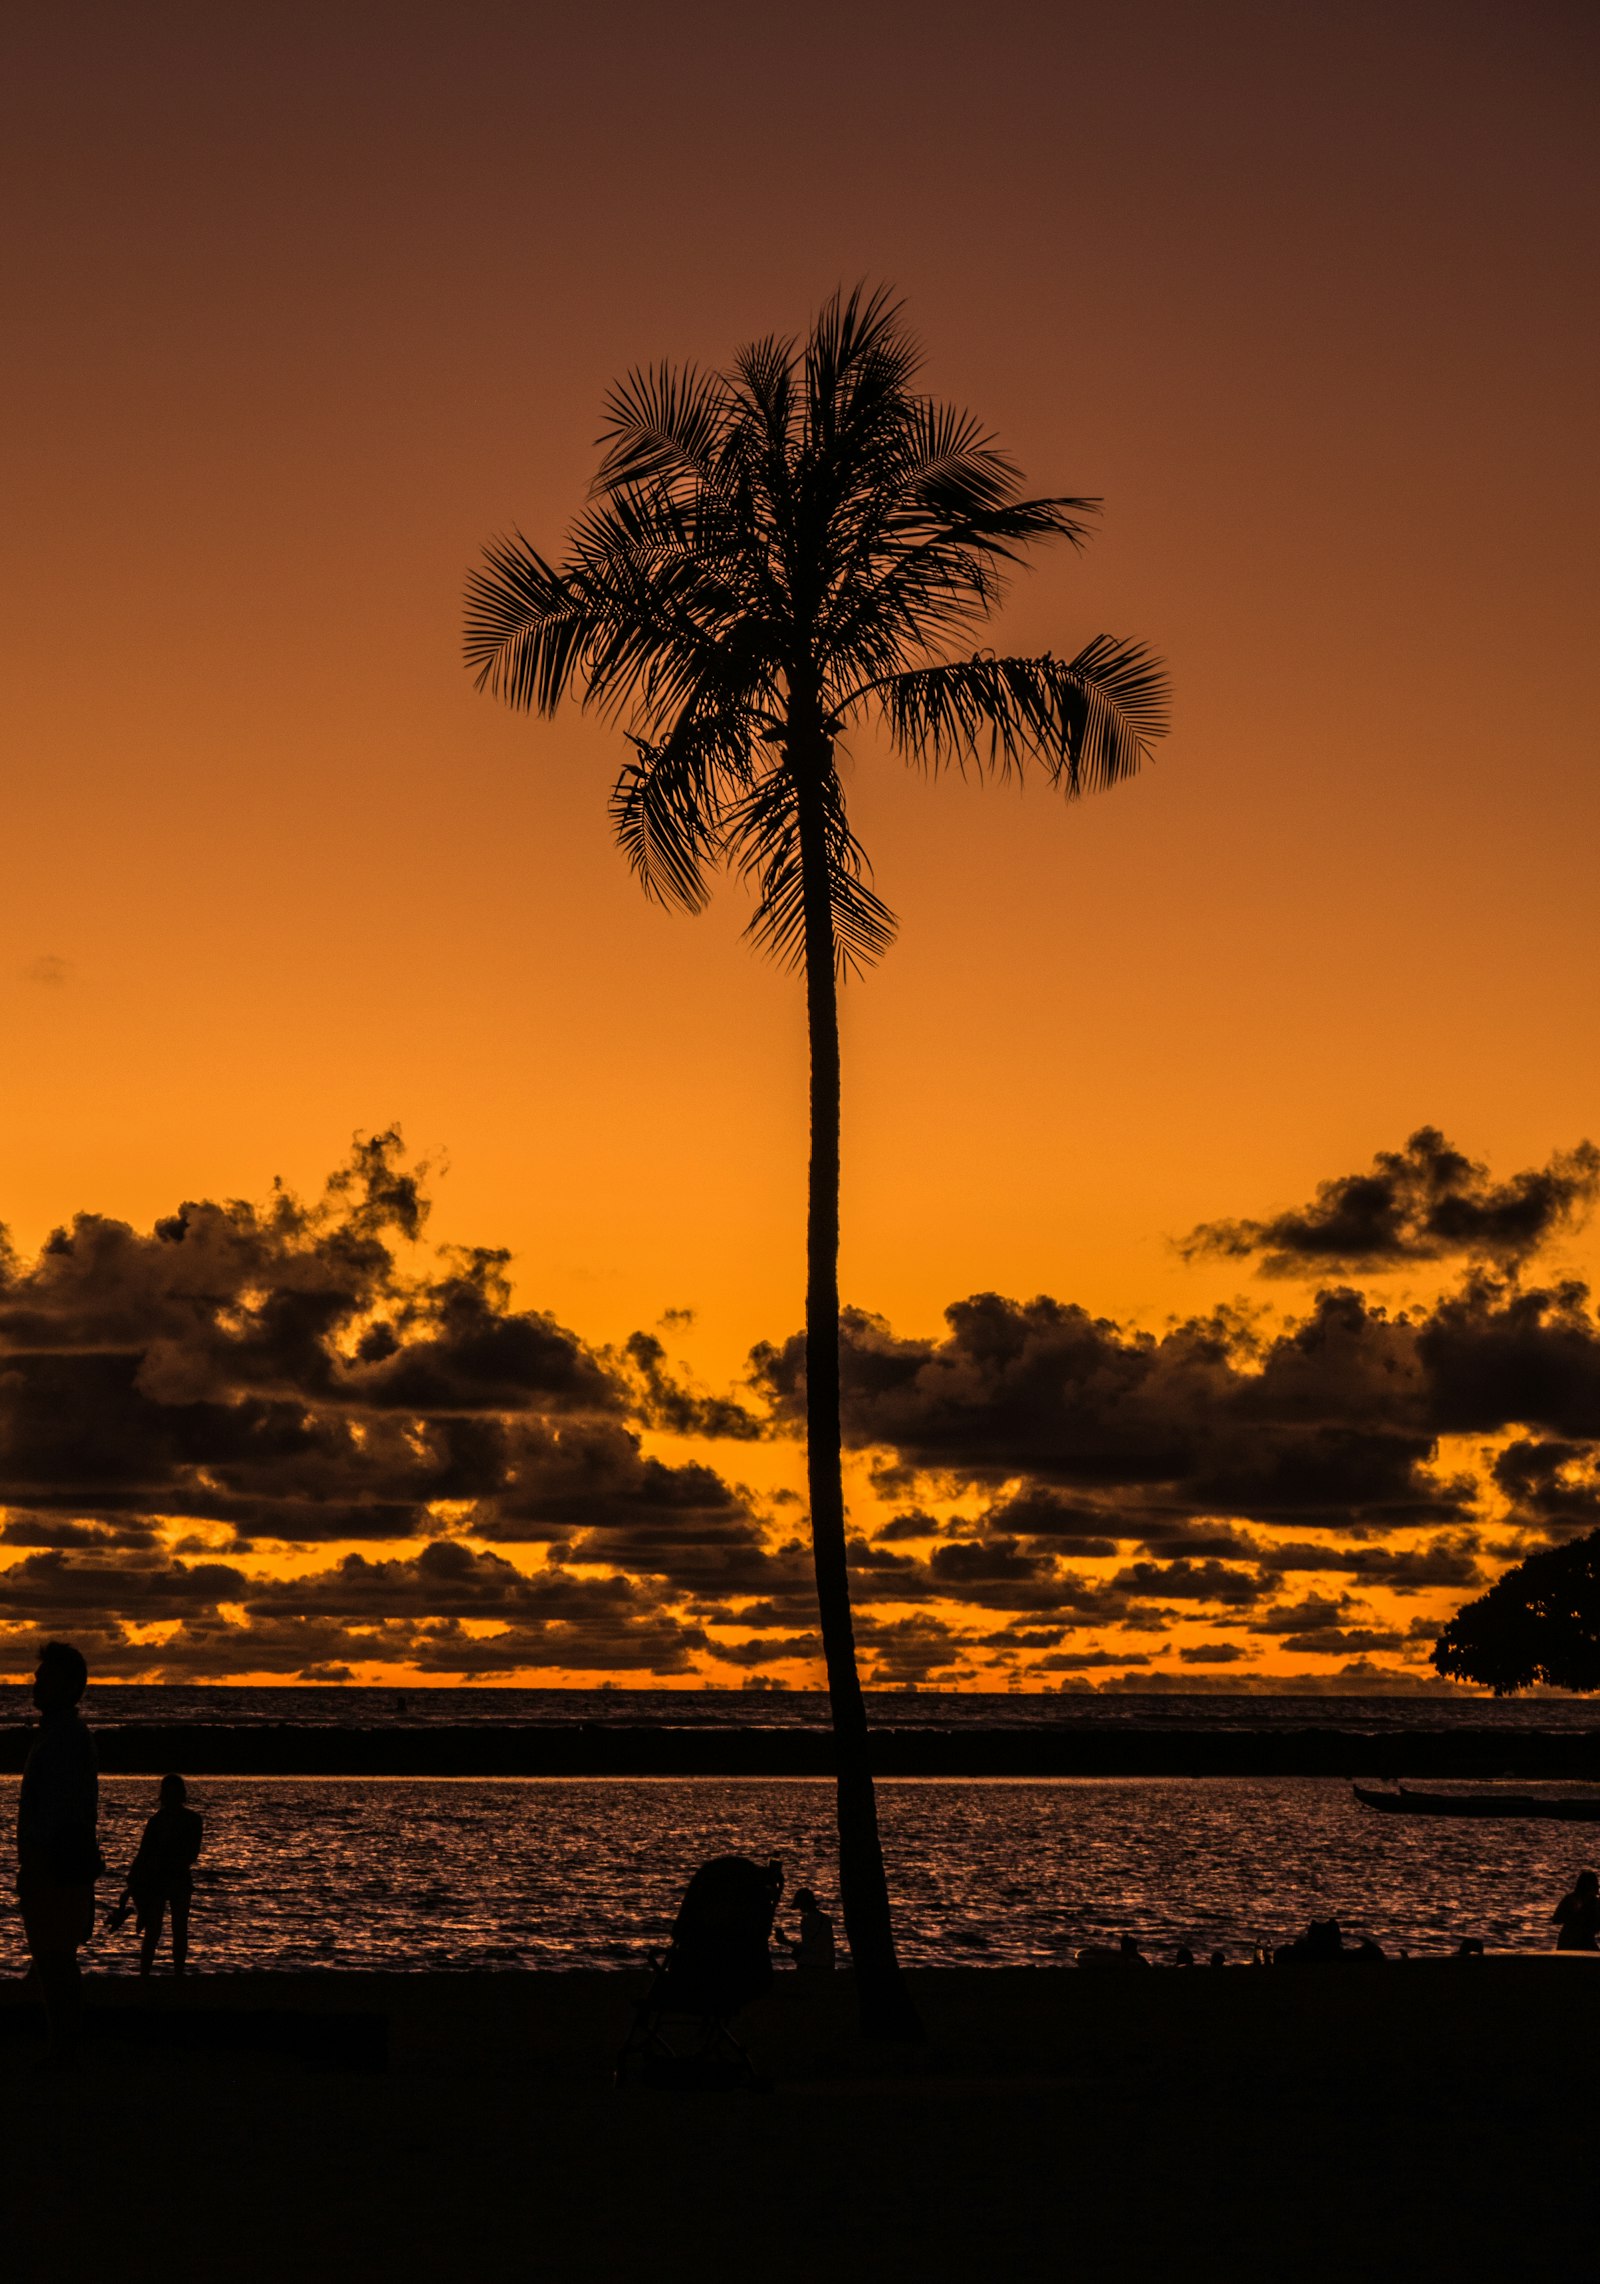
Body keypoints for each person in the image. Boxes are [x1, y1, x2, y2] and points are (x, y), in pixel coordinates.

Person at [16, 1641, 103, 2061]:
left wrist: (39, 1859)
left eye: (46, 1676)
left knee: (55, 1957)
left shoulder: (66, 1737)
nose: (36, 1682)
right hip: (50, 1861)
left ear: (69, 1686)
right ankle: (62, 2042)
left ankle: (65, 2045)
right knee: (52, 1957)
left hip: (55, 1862)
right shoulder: (58, 1734)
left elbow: (61, 1811)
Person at [109, 1774, 204, 1976]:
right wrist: (135, 1878)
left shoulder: (183, 1820)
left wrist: (141, 1875)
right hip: (162, 1879)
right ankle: (153, 1974)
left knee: (170, 1929)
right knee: (159, 1929)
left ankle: (165, 1973)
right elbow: (145, 1853)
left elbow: (189, 1854)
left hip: (169, 1879)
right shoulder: (169, 1820)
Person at [781, 1887, 836, 1972]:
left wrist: (785, 1941)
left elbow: (807, 1947)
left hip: (811, 1964)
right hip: (828, 1963)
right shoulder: (826, 1919)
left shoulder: (806, 1920)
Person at [1552, 1869, 1600, 1951]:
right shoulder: (1570, 1899)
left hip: (1586, 1941)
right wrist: (1574, 1913)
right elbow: (1556, 1919)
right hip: (1569, 1942)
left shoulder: (1595, 1903)